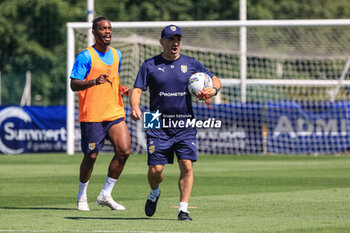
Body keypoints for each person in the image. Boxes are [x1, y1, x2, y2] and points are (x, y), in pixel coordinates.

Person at [130, 25, 222, 221]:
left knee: (187, 165)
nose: (175, 42)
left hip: (185, 122)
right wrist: (135, 107)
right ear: (162, 41)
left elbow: (216, 81)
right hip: (155, 121)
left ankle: (183, 209)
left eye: (178, 38)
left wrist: (212, 91)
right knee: (156, 170)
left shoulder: (191, 64)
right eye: (171, 39)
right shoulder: (149, 65)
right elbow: (137, 90)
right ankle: (154, 193)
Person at [70, 16, 131, 211]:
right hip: (93, 115)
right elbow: (74, 84)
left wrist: (121, 88)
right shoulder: (85, 56)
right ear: (94, 32)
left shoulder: (117, 54)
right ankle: (81, 196)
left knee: (124, 151)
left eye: (110, 28)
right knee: (92, 156)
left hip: (114, 112)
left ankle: (105, 194)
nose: (108, 32)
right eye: (103, 29)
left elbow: (112, 79)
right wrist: (93, 82)